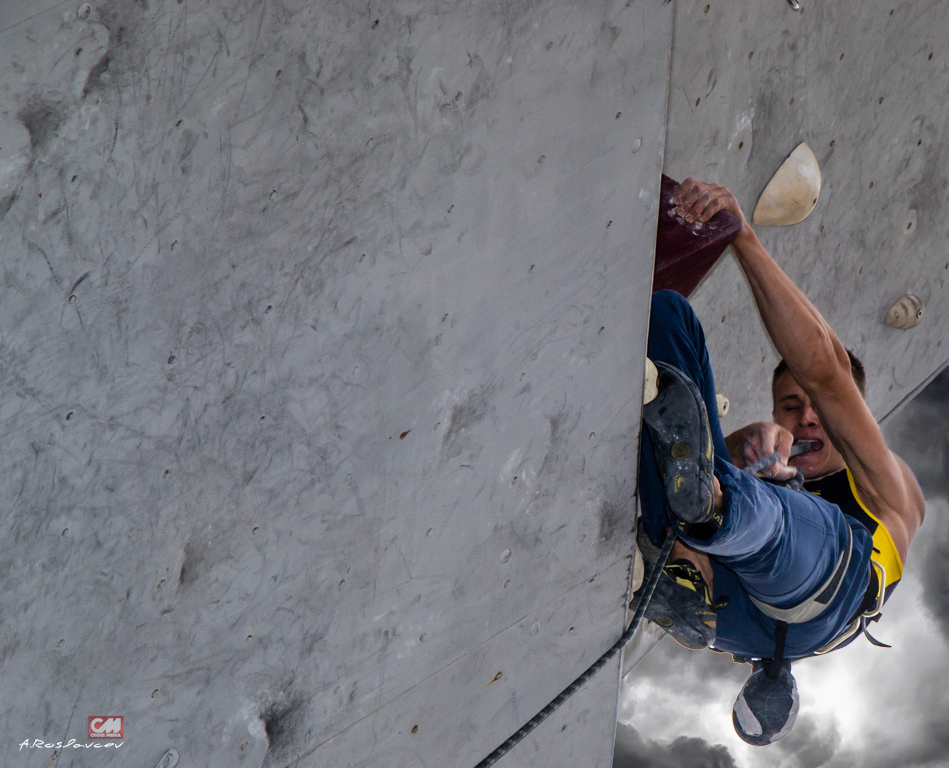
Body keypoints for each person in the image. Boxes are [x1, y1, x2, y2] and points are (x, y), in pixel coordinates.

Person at [635, 178, 926, 745]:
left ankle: (710, 517)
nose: (808, 418)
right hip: (732, 617)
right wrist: (746, 443)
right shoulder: (773, 463)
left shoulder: (887, 486)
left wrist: (740, 235)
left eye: (820, 411)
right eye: (791, 409)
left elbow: (825, 369)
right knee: (668, 316)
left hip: (828, 592)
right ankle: (682, 557)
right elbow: (711, 449)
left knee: (763, 521)